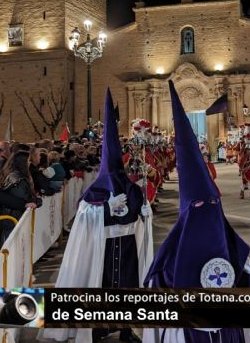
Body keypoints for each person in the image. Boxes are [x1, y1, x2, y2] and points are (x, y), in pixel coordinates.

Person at [142, 80, 250, 343]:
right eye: (199, 207)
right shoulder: (169, 260)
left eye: (213, 205)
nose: (208, 210)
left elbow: (242, 282)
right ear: (186, 213)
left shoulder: (229, 245)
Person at [41, 89, 153, 343]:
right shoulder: (97, 189)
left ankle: (126, 329)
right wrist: (105, 208)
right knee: (100, 286)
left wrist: (146, 215)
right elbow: (83, 216)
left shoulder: (132, 188)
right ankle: (98, 327)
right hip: (100, 246)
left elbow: (138, 215)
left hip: (126, 246)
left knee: (126, 287)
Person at [0, 151, 38, 222]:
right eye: (28, 160)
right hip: (13, 217)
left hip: (9, 215)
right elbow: (23, 199)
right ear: (23, 162)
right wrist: (37, 201)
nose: (29, 162)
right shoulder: (18, 179)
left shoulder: (8, 173)